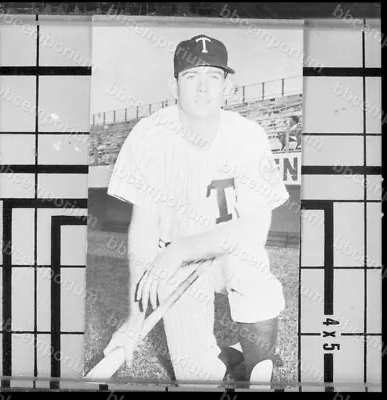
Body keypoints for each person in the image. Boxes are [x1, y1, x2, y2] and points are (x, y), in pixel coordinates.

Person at [103, 34, 289, 389]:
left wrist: (179, 251)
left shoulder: (248, 135)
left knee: (249, 264)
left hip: (225, 249)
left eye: (213, 77)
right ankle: (235, 356)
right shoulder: (148, 135)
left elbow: (252, 231)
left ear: (227, 87)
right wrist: (133, 317)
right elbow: (142, 231)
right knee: (196, 379)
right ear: (173, 86)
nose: (203, 88)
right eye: (191, 77)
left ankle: (259, 367)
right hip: (174, 259)